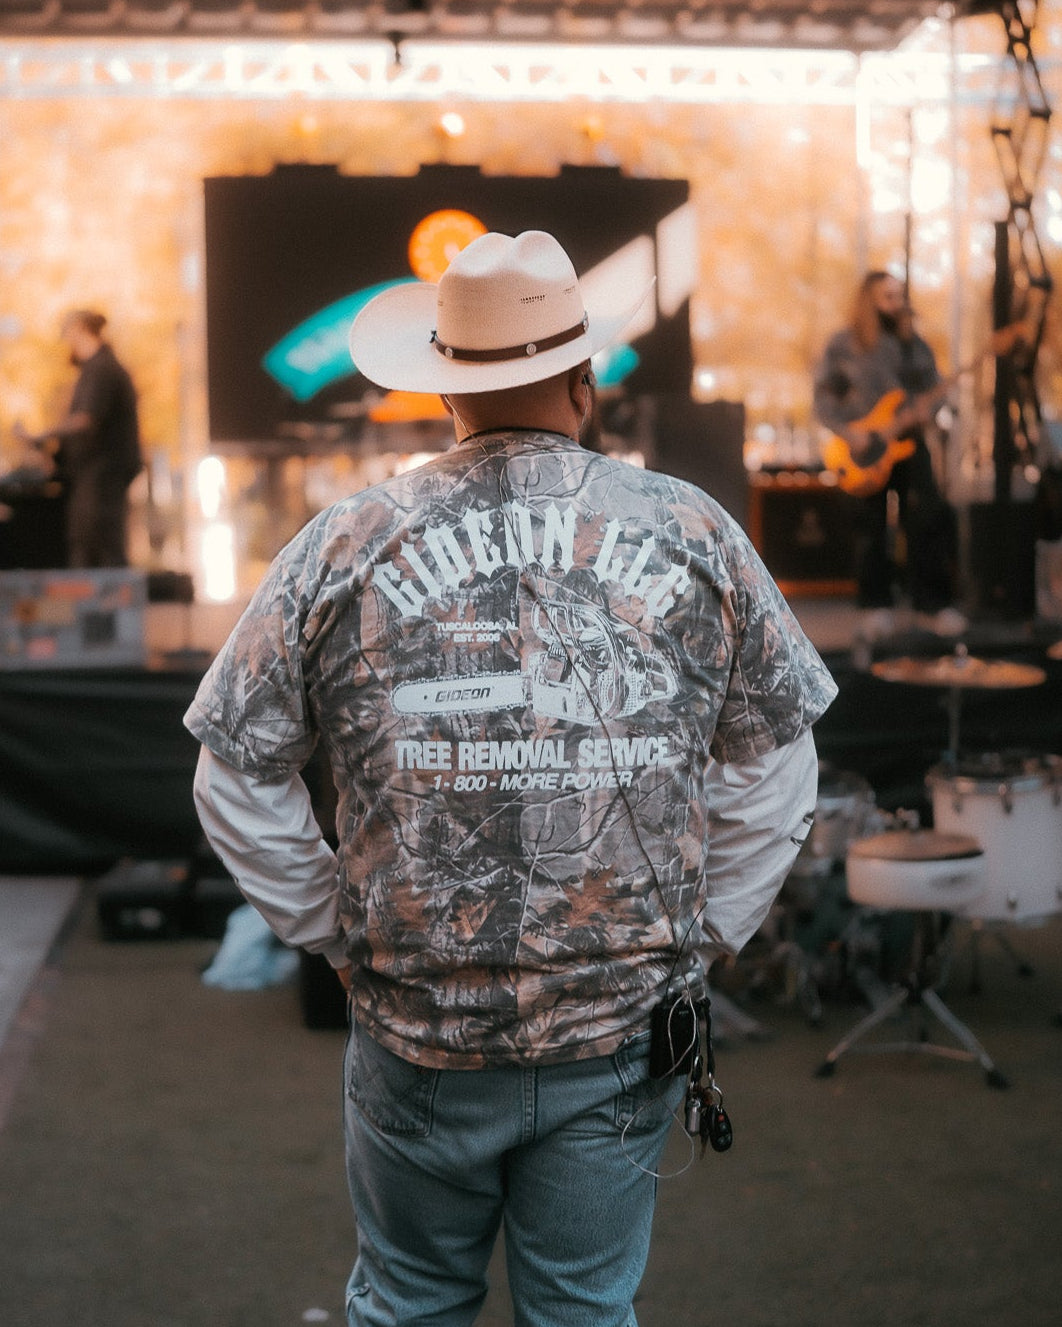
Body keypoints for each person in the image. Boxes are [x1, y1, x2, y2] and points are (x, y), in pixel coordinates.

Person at [185, 230, 838, 1327]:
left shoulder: (345, 541)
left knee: (408, 1304)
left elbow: (232, 767)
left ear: (446, 394)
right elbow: (777, 758)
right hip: (621, 1033)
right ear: (586, 382)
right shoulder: (693, 530)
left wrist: (333, 927)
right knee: (583, 1313)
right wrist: (708, 932)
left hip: (416, 1031)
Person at [813, 270, 964, 636]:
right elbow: (822, 398)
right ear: (870, 300)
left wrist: (928, 409)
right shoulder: (843, 345)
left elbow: (937, 387)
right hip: (863, 451)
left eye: (899, 295)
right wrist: (849, 433)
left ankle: (930, 605)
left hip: (910, 444)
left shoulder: (914, 344)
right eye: (888, 296)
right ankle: (874, 605)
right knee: (871, 528)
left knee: (927, 519)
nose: (897, 303)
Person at [16, 308, 142, 568]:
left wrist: (43, 434)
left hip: (103, 473)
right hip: (95, 473)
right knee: (91, 542)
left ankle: (107, 606)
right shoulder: (96, 369)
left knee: (97, 541)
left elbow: (87, 419)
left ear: (81, 331)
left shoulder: (102, 369)